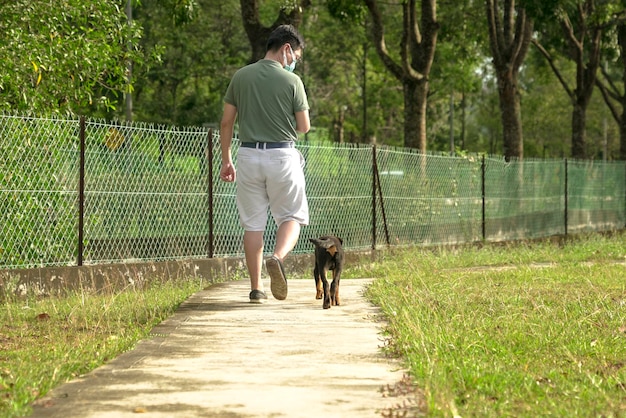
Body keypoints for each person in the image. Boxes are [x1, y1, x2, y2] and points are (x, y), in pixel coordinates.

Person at [219, 24, 311, 303]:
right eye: (295, 56)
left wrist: (226, 160)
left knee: (253, 225)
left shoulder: (241, 76)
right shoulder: (291, 82)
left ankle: (257, 289)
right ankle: (278, 258)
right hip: (282, 156)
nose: (294, 61)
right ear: (286, 49)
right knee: (292, 216)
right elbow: (304, 126)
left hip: (247, 156)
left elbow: (226, 122)